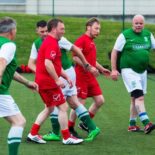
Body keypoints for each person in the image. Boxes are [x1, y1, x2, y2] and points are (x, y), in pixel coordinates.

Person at [28, 20, 100, 142]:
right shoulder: (47, 43)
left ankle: (45, 133)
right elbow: (42, 63)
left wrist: (67, 75)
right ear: (54, 29)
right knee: (64, 105)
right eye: (62, 29)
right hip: (51, 79)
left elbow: (57, 62)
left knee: (55, 106)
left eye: (46, 31)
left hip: (59, 75)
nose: (44, 33)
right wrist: (51, 77)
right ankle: (67, 135)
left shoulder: (56, 41)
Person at [111, 14, 155, 134]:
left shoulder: (148, 35)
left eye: (141, 23)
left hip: (142, 71)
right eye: (136, 23)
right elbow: (115, 52)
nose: (139, 25)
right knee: (139, 97)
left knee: (135, 98)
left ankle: (132, 124)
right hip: (129, 70)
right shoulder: (125, 35)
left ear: (144, 24)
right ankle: (147, 123)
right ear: (132, 24)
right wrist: (114, 69)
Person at [0, 17, 38, 155]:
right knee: (19, 121)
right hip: (0, 92)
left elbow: (9, 70)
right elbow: (2, 63)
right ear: (12, 31)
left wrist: (27, 82)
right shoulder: (9, 45)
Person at [69, 17, 111, 133]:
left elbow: (91, 60)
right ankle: (70, 127)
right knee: (79, 103)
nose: (98, 31)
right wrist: (89, 67)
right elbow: (75, 57)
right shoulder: (81, 40)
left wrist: (102, 69)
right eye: (96, 28)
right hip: (82, 76)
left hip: (90, 77)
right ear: (88, 27)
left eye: (99, 29)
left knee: (100, 100)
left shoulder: (91, 41)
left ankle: (85, 124)